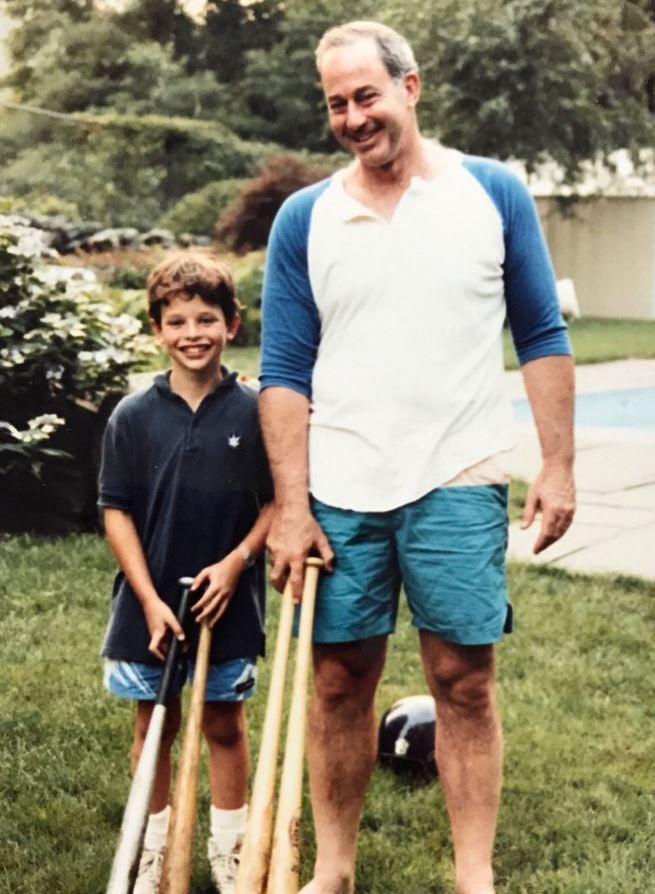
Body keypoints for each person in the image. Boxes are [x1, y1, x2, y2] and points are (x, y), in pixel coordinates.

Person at [258, 20, 575, 894]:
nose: (353, 117)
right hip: (342, 485)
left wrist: (557, 464)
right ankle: (334, 869)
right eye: (335, 103)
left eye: (366, 95)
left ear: (410, 87)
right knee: (337, 680)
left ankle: (473, 874)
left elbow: (540, 334)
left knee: (462, 681)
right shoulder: (305, 218)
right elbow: (284, 369)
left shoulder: (491, 193)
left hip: (458, 472)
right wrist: (290, 506)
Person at [99, 251, 273, 894]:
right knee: (154, 724)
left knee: (225, 722)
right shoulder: (133, 416)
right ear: (156, 330)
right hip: (150, 606)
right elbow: (114, 510)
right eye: (177, 321)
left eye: (206, 319)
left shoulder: (255, 410)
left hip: (225, 603)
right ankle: (154, 854)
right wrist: (147, 600)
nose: (192, 333)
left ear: (232, 323)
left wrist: (236, 564)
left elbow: (279, 501)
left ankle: (230, 855)